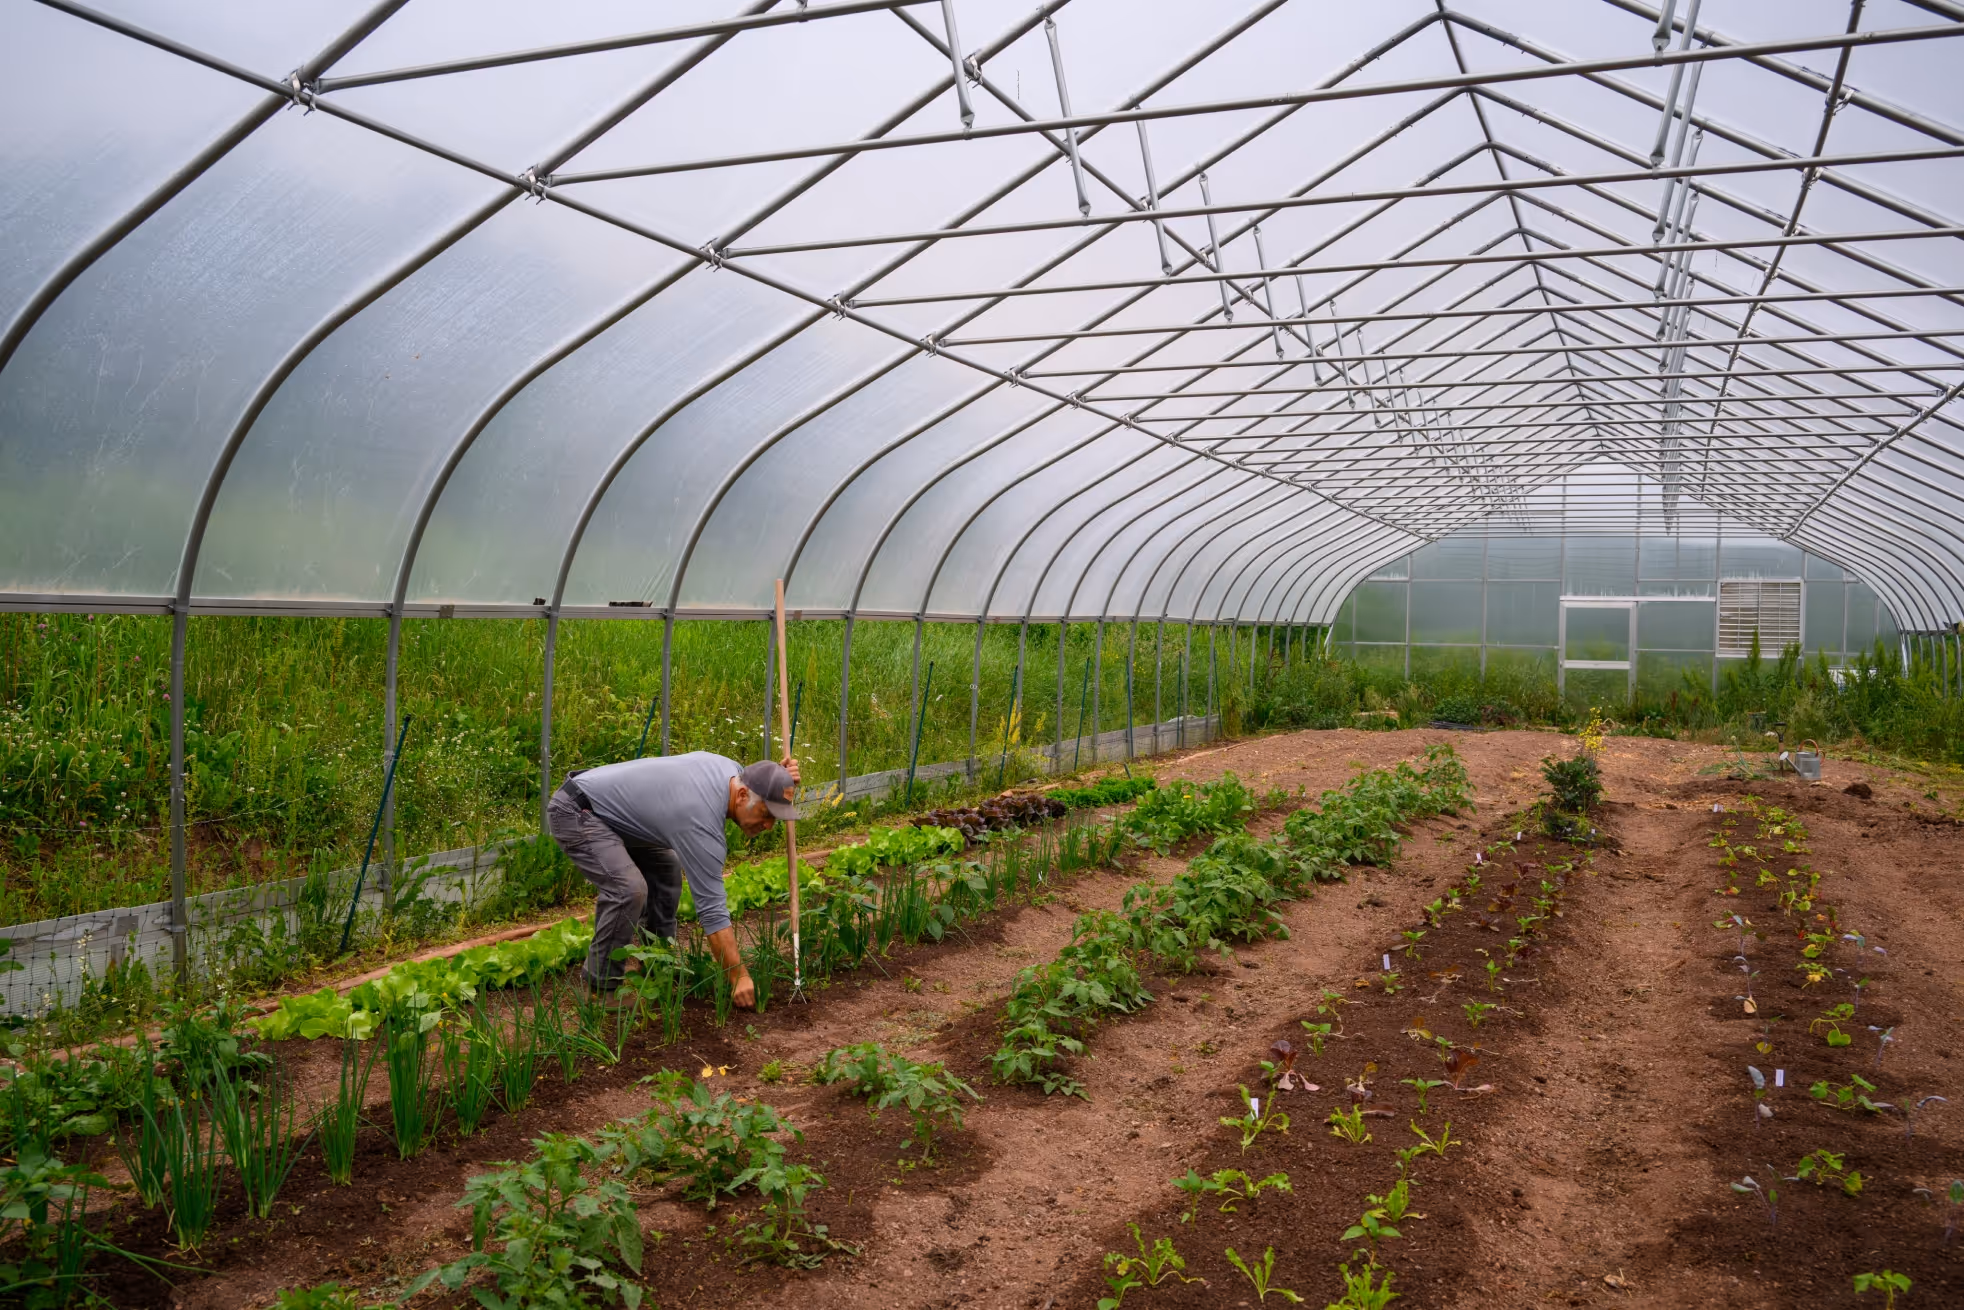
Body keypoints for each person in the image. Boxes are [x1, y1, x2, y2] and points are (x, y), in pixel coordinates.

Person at [545, 751, 800, 1008]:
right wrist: (738, 976)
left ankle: (658, 964)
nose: (769, 825)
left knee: (666, 869)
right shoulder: (700, 821)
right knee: (628, 890)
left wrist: (778, 778)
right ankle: (600, 989)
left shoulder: (735, 773)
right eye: (766, 814)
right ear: (743, 796)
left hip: (613, 813)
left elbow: (758, 780)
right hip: (578, 811)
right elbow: (712, 912)